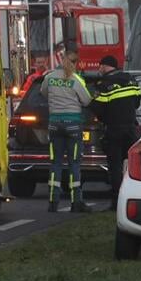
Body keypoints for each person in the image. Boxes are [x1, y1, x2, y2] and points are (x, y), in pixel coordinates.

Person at [42, 47, 93, 213]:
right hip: (73, 124)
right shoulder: (76, 79)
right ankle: (76, 201)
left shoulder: (49, 77)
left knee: (55, 163)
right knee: (74, 164)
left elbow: (43, 93)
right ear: (75, 63)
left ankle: (52, 201)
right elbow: (86, 100)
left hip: (55, 124)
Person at [89, 55, 141, 211]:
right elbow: (137, 101)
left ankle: (116, 202)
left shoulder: (104, 84)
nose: (99, 70)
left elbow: (98, 108)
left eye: (100, 67)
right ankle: (132, 197)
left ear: (105, 67)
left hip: (113, 129)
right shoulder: (131, 80)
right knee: (131, 165)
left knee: (115, 166)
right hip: (131, 129)